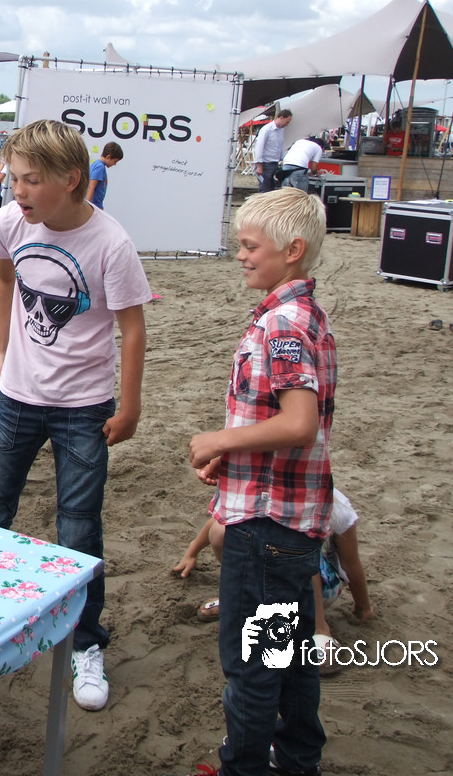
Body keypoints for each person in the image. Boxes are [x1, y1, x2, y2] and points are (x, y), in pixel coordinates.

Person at [0, 119, 151, 711]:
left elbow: (132, 327)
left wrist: (130, 405)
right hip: (15, 399)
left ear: (72, 179)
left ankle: (85, 642)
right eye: (12, 178)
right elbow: (0, 272)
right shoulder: (9, 221)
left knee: (78, 528)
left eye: (30, 180)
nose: (16, 190)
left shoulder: (111, 243)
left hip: (83, 408)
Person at [187, 187, 336, 776]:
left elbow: (298, 424)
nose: (240, 255)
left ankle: (242, 766)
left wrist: (219, 441)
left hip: (264, 527)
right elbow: (283, 423)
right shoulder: (306, 315)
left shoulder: (282, 325)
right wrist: (235, 460)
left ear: (291, 250)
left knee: (251, 665)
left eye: (250, 246)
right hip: (290, 517)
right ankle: (297, 761)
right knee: (290, 658)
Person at [174, 485, 373, 673]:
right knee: (224, 530)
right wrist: (192, 551)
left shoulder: (333, 503)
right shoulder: (262, 487)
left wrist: (362, 605)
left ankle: (319, 629)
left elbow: (350, 562)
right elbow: (221, 518)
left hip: (317, 584)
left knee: (300, 543)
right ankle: (237, 600)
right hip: (265, 574)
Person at [254, 109, 292, 193]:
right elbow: (259, 147)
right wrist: (259, 165)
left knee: (272, 188)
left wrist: (283, 158)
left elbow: (281, 145)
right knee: (264, 188)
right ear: (281, 118)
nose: (287, 124)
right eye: (287, 122)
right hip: (265, 163)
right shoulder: (266, 129)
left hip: (274, 162)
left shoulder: (281, 130)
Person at [86, 141, 124, 209]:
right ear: (108, 157)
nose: (114, 164)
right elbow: (91, 186)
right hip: (94, 205)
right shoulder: (99, 167)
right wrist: (88, 207)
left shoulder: (97, 165)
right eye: (115, 161)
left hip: (96, 205)